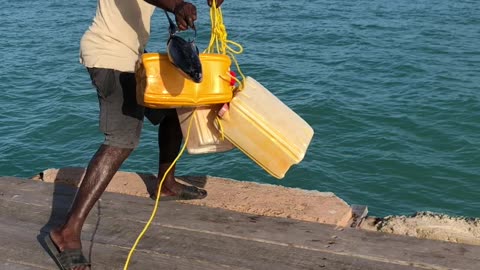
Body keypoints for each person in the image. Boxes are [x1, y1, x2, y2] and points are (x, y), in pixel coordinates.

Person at [44, 0, 224, 269]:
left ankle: (166, 184)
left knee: (173, 111)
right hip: (110, 57)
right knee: (121, 141)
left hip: (134, 56)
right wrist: (177, 6)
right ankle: (66, 232)